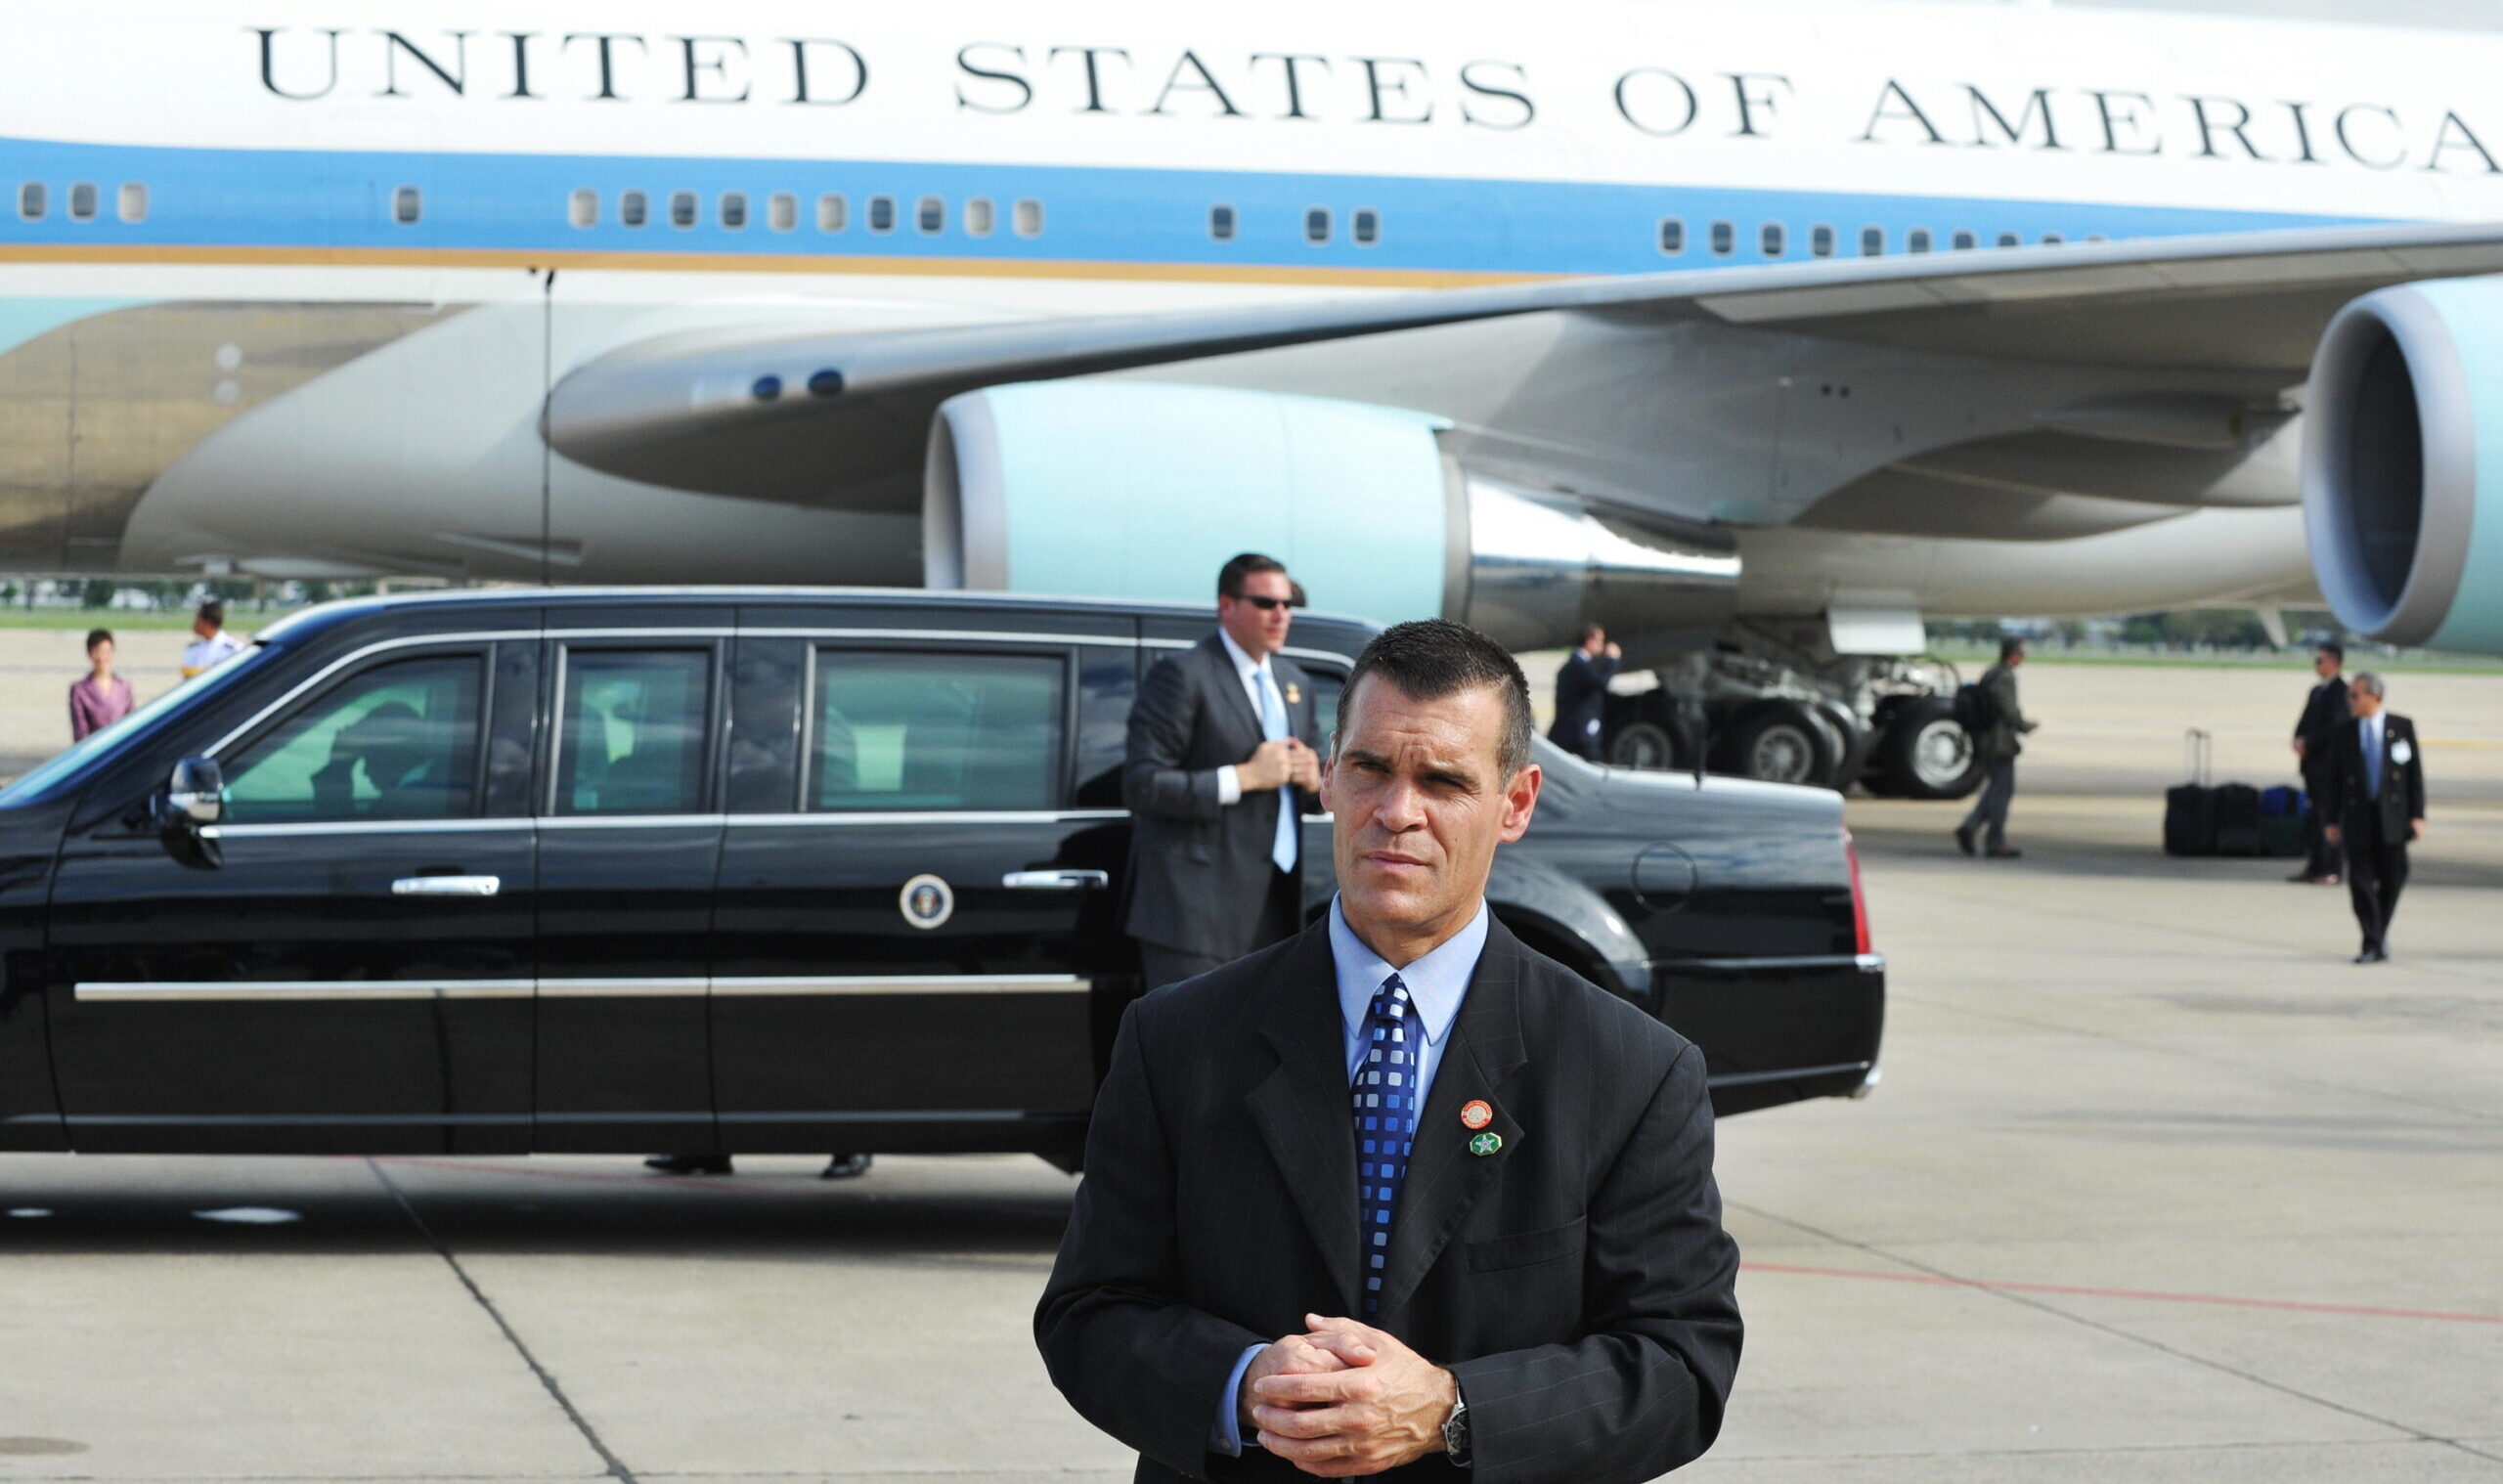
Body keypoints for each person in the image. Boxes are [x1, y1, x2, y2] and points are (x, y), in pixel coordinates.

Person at [1038, 619, 1741, 1484]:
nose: (1396, 812)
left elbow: (1681, 1366)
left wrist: (1454, 1410)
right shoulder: (1178, 1038)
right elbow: (1090, 1312)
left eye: (1443, 780)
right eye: (1370, 768)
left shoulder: (1632, 1072)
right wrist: (1242, 1382)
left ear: (1516, 802)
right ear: (1328, 775)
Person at [1121, 552, 1322, 990]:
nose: (1281, 615)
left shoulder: (1295, 683)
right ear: (1227, 606)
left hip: (1277, 908)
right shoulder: (1183, 675)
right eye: (1266, 603)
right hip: (1196, 915)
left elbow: (1312, 792)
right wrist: (1244, 777)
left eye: (1288, 605)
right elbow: (1142, 785)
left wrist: (1316, 779)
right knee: (1193, 1053)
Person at [2319, 672, 2426, 964]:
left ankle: (2377, 935)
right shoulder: (2344, 732)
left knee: (2394, 877)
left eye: (2355, 695)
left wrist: (2417, 815)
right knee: (2361, 882)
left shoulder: (2401, 727)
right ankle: (2371, 943)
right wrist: (2330, 820)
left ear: (2375, 697)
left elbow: (2414, 776)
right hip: (2358, 818)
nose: (2350, 701)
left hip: (2392, 818)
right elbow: (2333, 781)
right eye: (2349, 696)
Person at [1955, 636, 2037, 860]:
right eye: (2021, 652)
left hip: (1986, 739)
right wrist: (2024, 725)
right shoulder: (2004, 677)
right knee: (2002, 792)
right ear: (2014, 654)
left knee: (1995, 789)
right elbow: (2007, 710)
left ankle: (1971, 827)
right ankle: (1995, 841)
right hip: (1997, 742)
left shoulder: (1991, 672)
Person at [2289, 640, 2349, 885]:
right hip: (2312, 765)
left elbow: (2336, 727)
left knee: (2330, 818)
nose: (2317, 664)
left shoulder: (2341, 691)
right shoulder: (2317, 691)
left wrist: (2310, 743)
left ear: (2334, 663)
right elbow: (2304, 721)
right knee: (2315, 818)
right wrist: (2297, 740)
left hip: (2328, 765)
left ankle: (2332, 869)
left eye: (2320, 660)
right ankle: (2314, 866)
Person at [1548, 622, 1621, 762]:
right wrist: (1613, 661)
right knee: (1594, 762)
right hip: (1580, 732)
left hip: (1570, 730)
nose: (1602, 645)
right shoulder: (1579, 665)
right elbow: (1600, 683)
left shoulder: (1577, 664)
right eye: (1600, 641)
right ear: (1589, 641)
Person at [69, 628, 135, 741]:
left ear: (113, 653)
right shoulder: (80, 690)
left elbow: (132, 723)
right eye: (97, 651)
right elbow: (80, 731)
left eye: (106, 651)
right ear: (89, 654)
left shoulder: (124, 686)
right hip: (95, 751)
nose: (102, 657)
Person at [179, 599, 247, 679]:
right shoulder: (193, 649)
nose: (194, 623)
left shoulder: (234, 650)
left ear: (208, 622)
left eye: (198, 618)